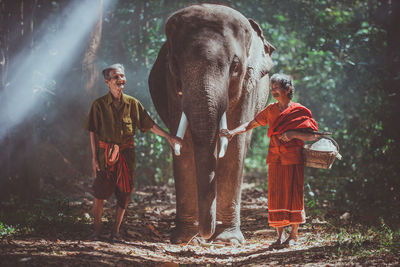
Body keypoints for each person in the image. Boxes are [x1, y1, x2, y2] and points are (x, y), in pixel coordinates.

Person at [219, 73, 319, 248]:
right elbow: (252, 123)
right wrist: (233, 132)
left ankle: (293, 236)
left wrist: (293, 134)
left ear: (288, 89)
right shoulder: (271, 110)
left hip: (294, 159)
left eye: (276, 88)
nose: (273, 91)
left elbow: (313, 136)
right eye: (272, 88)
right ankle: (280, 236)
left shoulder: (299, 110)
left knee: (293, 194)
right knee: (276, 196)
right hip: (275, 159)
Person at [85, 63, 181, 242]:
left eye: (122, 76)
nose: (120, 80)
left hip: (126, 156)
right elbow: (93, 131)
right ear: (107, 82)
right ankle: (96, 232)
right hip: (105, 156)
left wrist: (169, 137)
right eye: (115, 77)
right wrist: (93, 157)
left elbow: (149, 124)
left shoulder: (132, 103)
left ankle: (115, 232)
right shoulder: (98, 105)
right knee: (99, 193)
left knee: (125, 194)